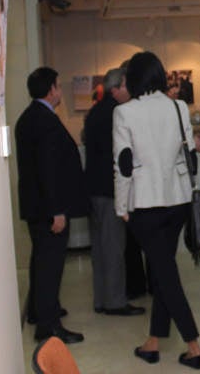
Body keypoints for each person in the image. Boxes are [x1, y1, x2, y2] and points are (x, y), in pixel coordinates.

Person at [113, 52, 200, 369]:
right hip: (178, 200)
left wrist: (122, 206)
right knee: (164, 270)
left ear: (135, 79)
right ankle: (152, 343)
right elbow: (189, 155)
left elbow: (123, 165)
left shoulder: (124, 113)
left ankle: (194, 347)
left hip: (145, 203)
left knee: (165, 274)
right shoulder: (179, 107)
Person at [15, 67, 89, 344]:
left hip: (36, 207)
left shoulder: (30, 117)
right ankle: (48, 326)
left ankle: (39, 309)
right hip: (48, 209)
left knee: (40, 262)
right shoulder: (44, 120)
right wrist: (56, 211)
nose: (60, 91)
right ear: (51, 90)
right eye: (58, 86)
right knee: (50, 267)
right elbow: (48, 170)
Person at [83, 67, 145, 317]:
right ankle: (115, 301)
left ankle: (102, 298)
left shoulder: (95, 112)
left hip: (93, 190)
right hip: (110, 190)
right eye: (127, 86)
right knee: (113, 248)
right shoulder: (116, 113)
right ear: (116, 88)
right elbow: (121, 156)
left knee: (99, 250)